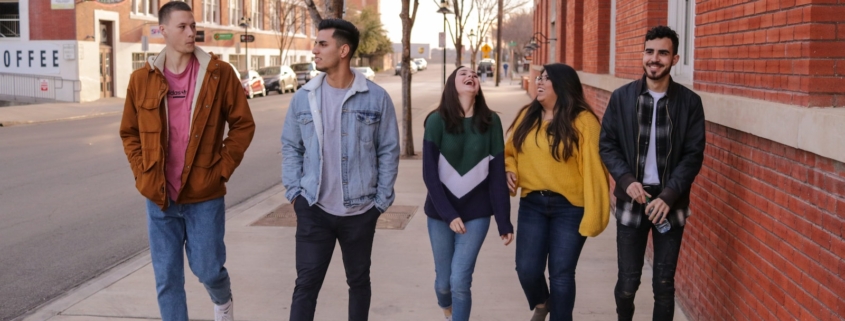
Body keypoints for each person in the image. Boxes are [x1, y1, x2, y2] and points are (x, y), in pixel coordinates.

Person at [118, 2, 255, 320]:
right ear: (163, 31)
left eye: (193, 26)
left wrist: (221, 168)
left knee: (207, 269)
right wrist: (143, 172)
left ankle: (222, 300)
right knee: (167, 279)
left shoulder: (219, 75)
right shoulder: (142, 80)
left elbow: (243, 125)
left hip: (204, 195)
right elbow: (130, 132)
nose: (191, 32)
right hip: (160, 197)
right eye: (182, 26)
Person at [280, 18, 400, 321]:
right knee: (305, 285)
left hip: (360, 211)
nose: (315, 50)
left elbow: (388, 150)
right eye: (316, 43)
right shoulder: (303, 97)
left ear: (343, 50)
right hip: (313, 208)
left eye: (323, 44)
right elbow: (291, 147)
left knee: (359, 282)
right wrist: (295, 194)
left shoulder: (376, 98)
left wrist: (380, 202)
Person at [599, 25, 705, 321]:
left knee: (663, 285)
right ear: (642, 54)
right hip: (632, 200)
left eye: (662, 53)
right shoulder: (621, 98)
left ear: (675, 58)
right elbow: (607, 144)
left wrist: (669, 196)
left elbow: (693, 155)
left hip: (670, 203)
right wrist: (626, 180)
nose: (654, 58)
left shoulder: (690, 103)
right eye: (649, 51)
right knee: (628, 284)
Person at [505, 63, 610, 321]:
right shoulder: (526, 116)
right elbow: (510, 153)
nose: (539, 82)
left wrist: (595, 215)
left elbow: (596, 172)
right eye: (539, 77)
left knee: (562, 274)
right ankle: (542, 303)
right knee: (527, 269)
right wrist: (509, 170)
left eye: (546, 79)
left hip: (570, 209)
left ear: (563, 85)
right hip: (533, 204)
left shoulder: (583, 122)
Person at [422, 66, 514, 321]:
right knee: (444, 284)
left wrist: (504, 221)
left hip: (476, 213)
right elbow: (430, 175)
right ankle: (448, 310)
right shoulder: (436, 120)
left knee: (460, 280)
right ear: (452, 84)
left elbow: (497, 175)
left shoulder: (491, 122)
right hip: (441, 214)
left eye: (474, 74)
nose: (470, 76)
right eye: (463, 73)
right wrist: (449, 214)